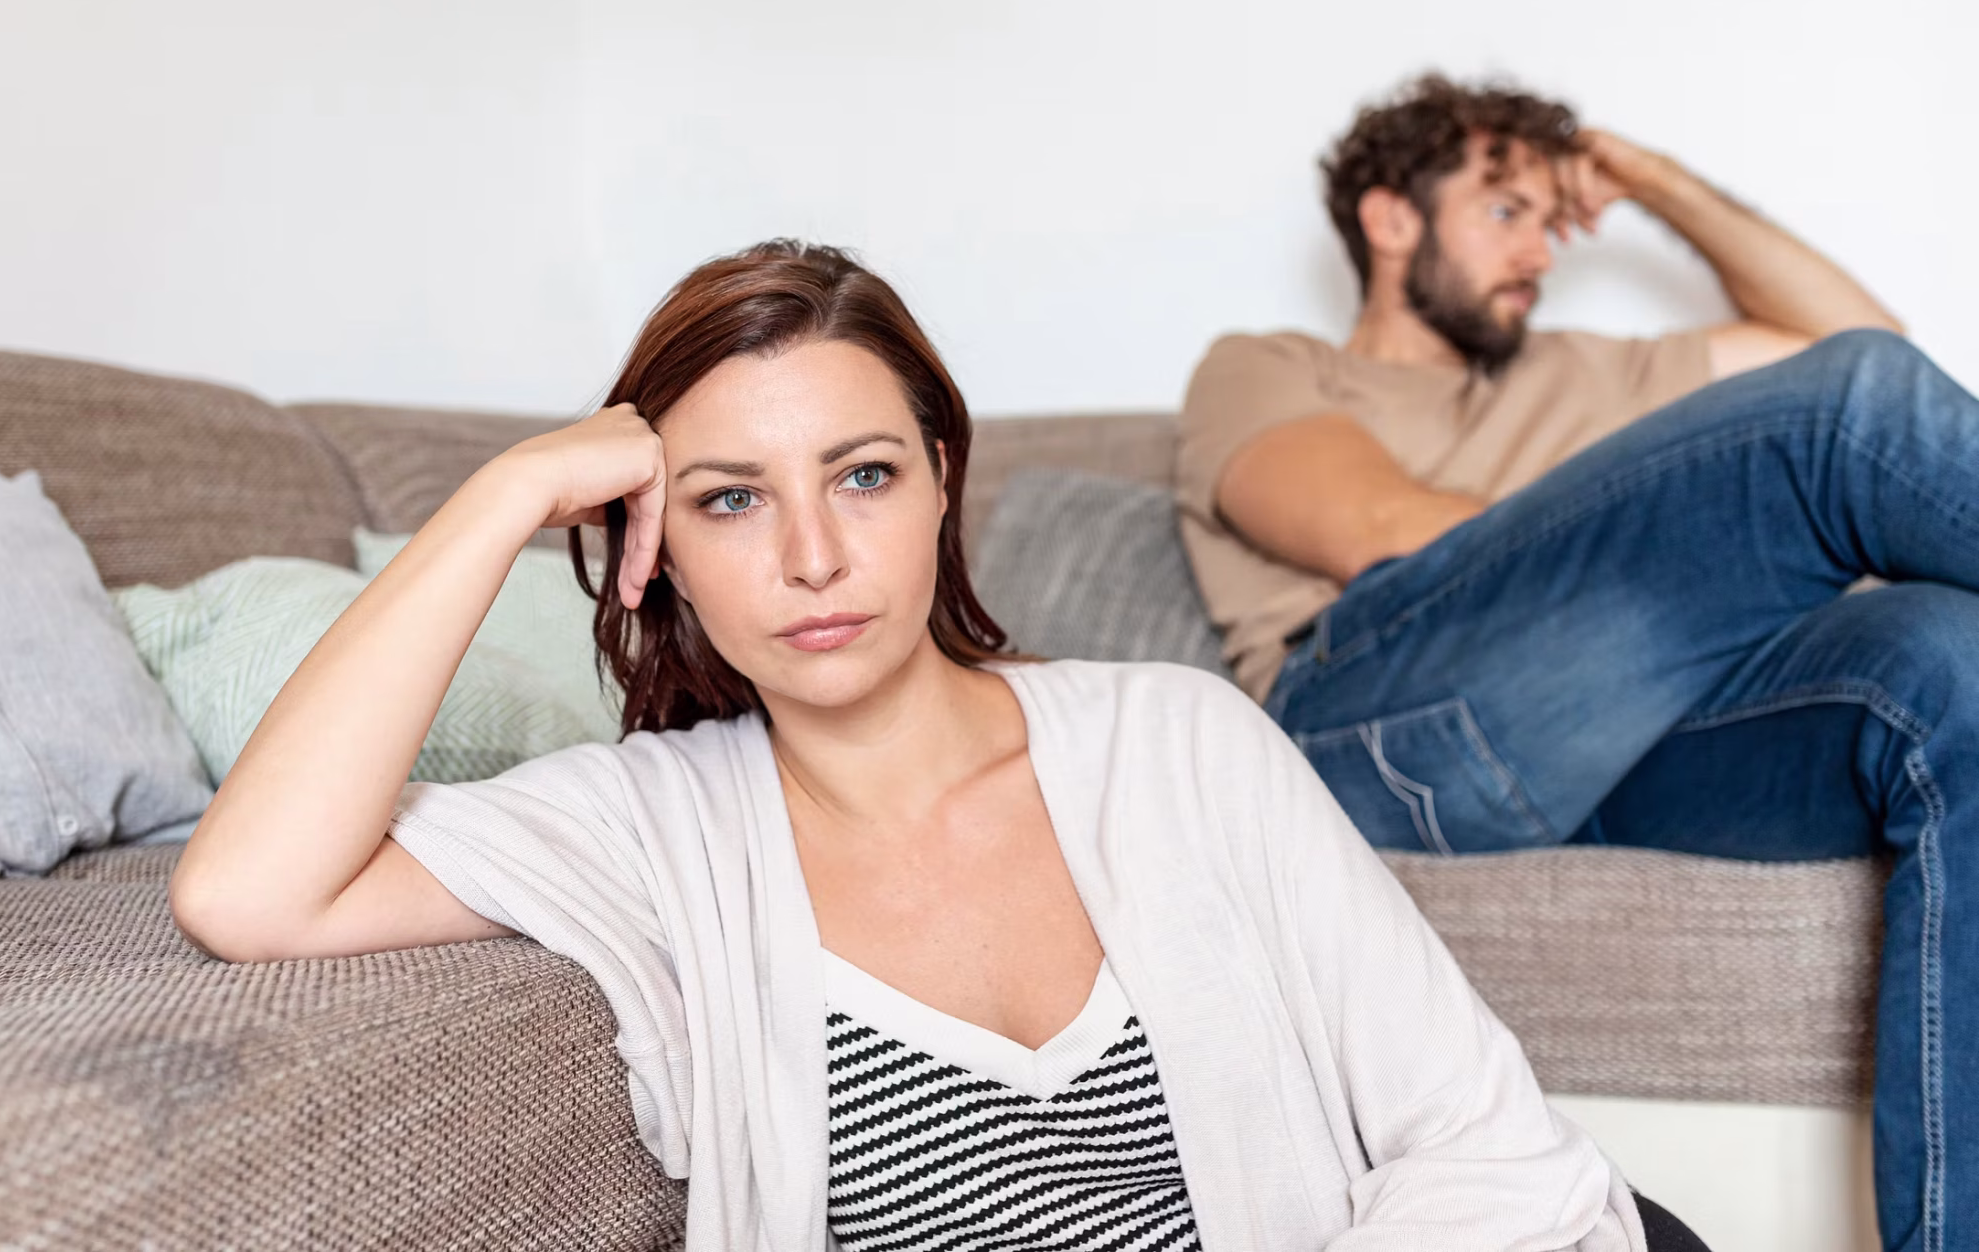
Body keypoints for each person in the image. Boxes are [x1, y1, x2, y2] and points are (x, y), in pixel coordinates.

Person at [170, 240, 1696, 1251]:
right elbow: (252, 891)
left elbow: (1491, 1148)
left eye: (864, 474)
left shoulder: (1179, 742)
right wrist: (500, 495)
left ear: (942, 483)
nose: (816, 556)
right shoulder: (650, 832)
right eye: (730, 498)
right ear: (656, 543)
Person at [1177, 72, 1967, 1252]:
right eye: (1505, 210)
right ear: (1391, 220)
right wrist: (1668, 523)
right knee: (1836, 413)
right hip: (1369, 731)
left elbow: (1860, 336)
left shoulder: (1595, 372)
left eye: (1553, 220)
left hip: (1615, 746)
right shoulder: (1265, 366)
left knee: (1951, 660)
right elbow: (1381, 531)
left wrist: (1653, 180)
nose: (1539, 249)